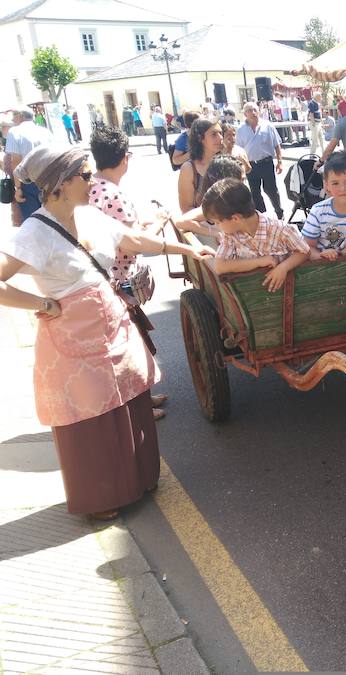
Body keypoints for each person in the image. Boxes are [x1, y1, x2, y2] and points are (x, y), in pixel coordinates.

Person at [0, 145, 211, 519]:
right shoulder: (35, 231)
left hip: (111, 327)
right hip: (73, 339)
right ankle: (99, 499)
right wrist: (41, 304)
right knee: (91, 417)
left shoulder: (88, 214)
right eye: (84, 175)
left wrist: (185, 249)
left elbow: (134, 241)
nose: (91, 180)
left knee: (128, 403)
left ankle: (139, 480)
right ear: (59, 183)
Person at [88, 125, 171, 420]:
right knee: (128, 347)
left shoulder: (92, 188)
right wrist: (160, 221)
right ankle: (136, 408)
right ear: (125, 158)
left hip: (103, 280)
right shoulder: (112, 194)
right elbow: (137, 242)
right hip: (117, 283)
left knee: (130, 344)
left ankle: (142, 400)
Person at [202, 178, 309, 289]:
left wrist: (283, 267)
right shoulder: (230, 235)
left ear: (235, 219)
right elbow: (220, 266)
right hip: (250, 292)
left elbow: (304, 251)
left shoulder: (280, 230)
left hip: (285, 289)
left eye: (218, 222)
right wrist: (259, 262)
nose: (217, 226)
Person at [236, 102, 284, 219]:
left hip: (266, 163)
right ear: (245, 114)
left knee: (271, 190)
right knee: (254, 192)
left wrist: (280, 162)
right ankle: (261, 216)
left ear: (258, 111)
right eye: (249, 110)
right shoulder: (241, 129)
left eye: (254, 110)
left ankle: (279, 212)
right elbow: (238, 148)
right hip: (250, 165)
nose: (253, 113)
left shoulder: (267, 126)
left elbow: (277, 145)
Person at [5, 108, 53, 221]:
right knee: (51, 219)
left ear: (21, 116)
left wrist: (17, 187)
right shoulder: (45, 131)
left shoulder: (15, 131)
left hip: (27, 182)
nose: (12, 119)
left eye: (14, 115)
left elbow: (16, 160)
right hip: (48, 180)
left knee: (32, 220)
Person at [178, 118, 224, 213]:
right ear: (200, 138)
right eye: (214, 134)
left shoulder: (224, 163)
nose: (220, 138)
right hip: (201, 225)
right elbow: (186, 209)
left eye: (220, 133)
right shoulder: (189, 169)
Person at [307, 92, 327, 157]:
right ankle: (312, 154)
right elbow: (311, 114)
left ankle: (324, 153)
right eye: (320, 97)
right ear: (316, 97)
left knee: (321, 138)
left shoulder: (318, 104)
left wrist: (322, 122)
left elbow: (319, 113)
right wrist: (313, 123)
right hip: (314, 123)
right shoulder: (311, 103)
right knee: (315, 139)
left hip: (318, 123)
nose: (320, 98)